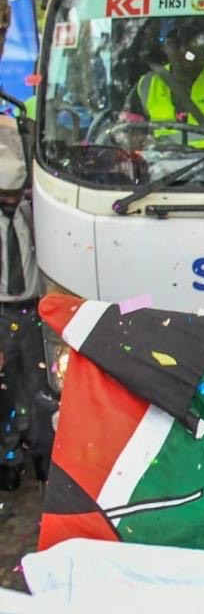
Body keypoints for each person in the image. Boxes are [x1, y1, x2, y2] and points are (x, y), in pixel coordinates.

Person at [0, 118, 48, 492]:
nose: (12, 201)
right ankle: (8, 457)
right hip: (1, 313)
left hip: (32, 309)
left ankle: (41, 452)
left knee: (37, 383)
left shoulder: (32, 215)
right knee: (6, 389)